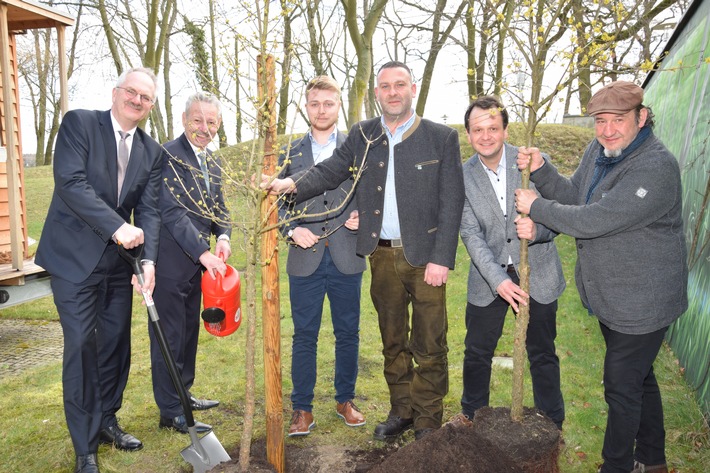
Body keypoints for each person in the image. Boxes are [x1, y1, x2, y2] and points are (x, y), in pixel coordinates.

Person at [264, 61, 464, 441]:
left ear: (413, 89)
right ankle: (402, 411)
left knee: (430, 343)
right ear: (376, 93)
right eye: (385, 86)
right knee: (393, 341)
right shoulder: (365, 134)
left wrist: (442, 257)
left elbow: (452, 201)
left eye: (399, 84)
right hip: (381, 255)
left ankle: (427, 420)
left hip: (425, 258)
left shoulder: (441, 137)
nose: (392, 92)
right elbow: (331, 171)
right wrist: (288, 183)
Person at [515, 81, 687, 473]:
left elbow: (596, 219)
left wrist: (537, 207)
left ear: (641, 118)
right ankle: (653, 460)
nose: (607, 130)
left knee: (621, 387)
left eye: (618, 120)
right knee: (639, 379)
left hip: (644, 301)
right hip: (614, 297)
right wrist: (542, 170)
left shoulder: (655, 167)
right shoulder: (601, 150)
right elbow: (576, 195)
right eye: (600, 121)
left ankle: (616, 466)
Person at [35, 67, 163, 473]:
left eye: (146, 97)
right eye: (132, 92)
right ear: (116, 92)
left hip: (116, 264)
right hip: (73, 261)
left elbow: (150, 210)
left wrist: (148, 261)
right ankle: (84, 445)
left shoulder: (150, 150)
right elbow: (70, 183)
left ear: (151, 106)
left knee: (114, 346)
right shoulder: (80, 124)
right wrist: (117, 226)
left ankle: (107, 419)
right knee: (81, 349)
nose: (137, 100)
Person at [450, 96, 566, 430]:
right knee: (476, 351)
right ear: (469, 135)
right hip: (489, 276)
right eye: (477, 130)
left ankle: (551, 424)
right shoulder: (463, 176)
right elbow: (470, 233)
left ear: (505, 130)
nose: (485, 136)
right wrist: (498, 280)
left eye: (493, 128)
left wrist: (539, 230)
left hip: (537, 271)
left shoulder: (531, 163)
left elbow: (559, 214)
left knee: (542, 352)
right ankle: (472, 419)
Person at [278, 76, 367, 437]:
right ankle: (302, 409)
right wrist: (289, 230)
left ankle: (345, 399)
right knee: (304, 335)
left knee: (348, 332)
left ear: (339, 106)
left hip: (347, 254)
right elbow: (278, 203)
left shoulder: (358, 148)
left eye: (328, 103)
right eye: (314, 103)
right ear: (305, 106)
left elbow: (372, 192)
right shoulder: (290, 152)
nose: (321, 110)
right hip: (305, 257)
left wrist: (367, 218)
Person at [151, 92, 231, 434]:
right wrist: (204, 252)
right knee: (168, 336)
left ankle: (184, 393)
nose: (204, 128)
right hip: (170, 262)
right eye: (198, 120)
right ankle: (170, 411)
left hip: (199, 265)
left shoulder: (212, 161)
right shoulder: (168, 156)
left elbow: (219, 207)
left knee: (187, 332)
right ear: (184, 119)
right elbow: (172, 212)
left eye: (211, 122)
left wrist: (224, 237)